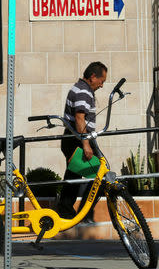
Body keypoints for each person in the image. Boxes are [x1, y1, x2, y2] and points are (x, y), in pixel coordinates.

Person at [56, 61, 107, 222]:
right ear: (93, 77)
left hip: (75, 139)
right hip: (77, 140)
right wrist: (86, 144)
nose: (102, 85)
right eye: (102, 81)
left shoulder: (79, 88)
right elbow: (79, 118)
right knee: (101, 177)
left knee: (74, 175)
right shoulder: (83, 91)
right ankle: (82, 214)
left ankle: (68, 211)